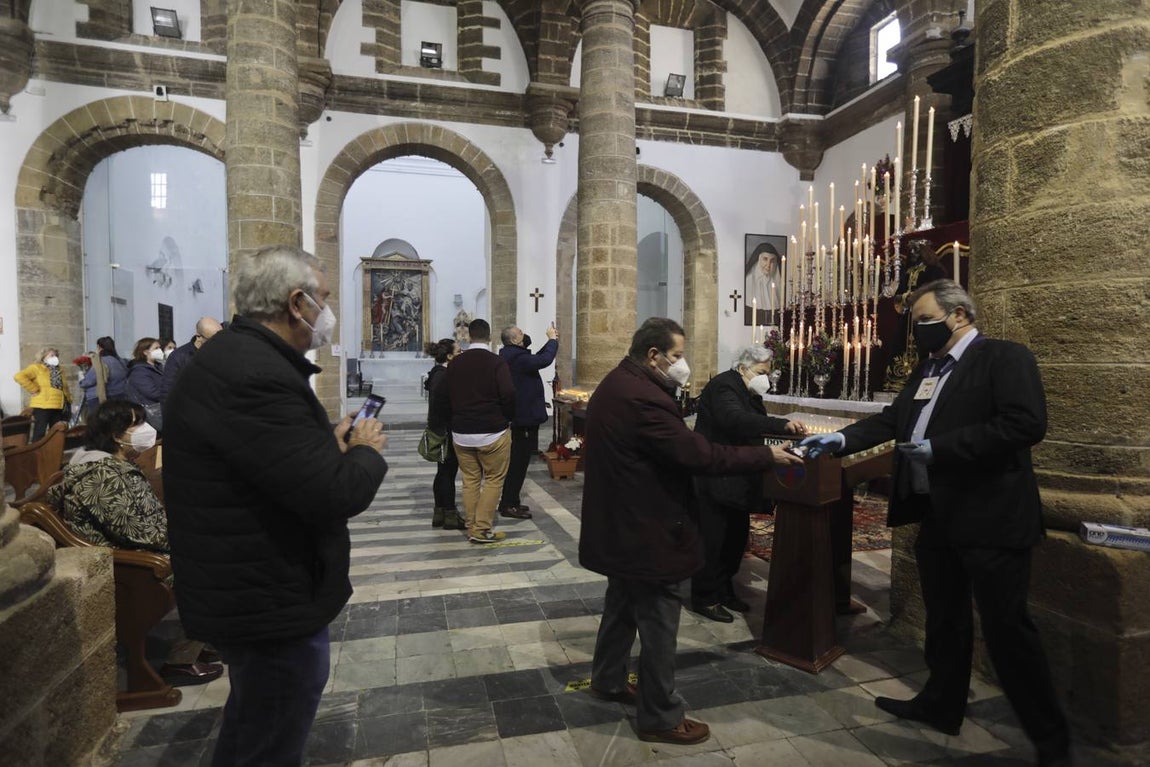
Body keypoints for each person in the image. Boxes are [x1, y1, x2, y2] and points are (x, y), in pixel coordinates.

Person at [800, 280, 1070, 766]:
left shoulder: (1004, 358)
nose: (917, 330)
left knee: (1008, 632)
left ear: (960, 315)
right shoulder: (928, 369)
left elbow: (1025, 424)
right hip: (939, 516)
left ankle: (1051, 742)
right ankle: (941, 704)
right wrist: (841, 441)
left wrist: (941, 449)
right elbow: (891, 420)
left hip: (991, 517)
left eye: (924, 319)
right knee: (945, 622)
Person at [163, 245, 388, 766]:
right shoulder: (256, 375)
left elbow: (267, 463)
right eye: (324, 300)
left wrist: (322, 444)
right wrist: (364, 452)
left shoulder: (236, 358)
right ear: (296, 303)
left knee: (255, 722)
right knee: (272, 735)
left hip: (248, 582)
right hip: (265, 594)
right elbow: (334, 494)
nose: (327, 314)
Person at [579, 317, 802, 746]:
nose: (681, 364)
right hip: (647, 527)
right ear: (653, 356)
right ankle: (661, 716)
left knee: (623, 602)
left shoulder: (618, 382)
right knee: (660, 617)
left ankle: (607, 678)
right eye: (677, 356)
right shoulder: (644, 397)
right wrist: (766, 457)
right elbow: (698, 455)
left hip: (623, 521)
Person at [46, 398, 223, 685]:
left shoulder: (115, 464)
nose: (146, 429)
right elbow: (132, 528)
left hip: (133, 552)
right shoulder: (101, 473)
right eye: (136, 424)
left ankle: (202, 641)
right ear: (116, 434)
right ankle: (181, 660)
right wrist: (189, 537)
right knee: (210, 563)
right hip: (126, 565)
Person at [690, 345, 808, 622]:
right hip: (716, 476)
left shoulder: (748, 391)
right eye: (761, 372)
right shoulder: (724, 386)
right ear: (743, 368)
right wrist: (781, 425)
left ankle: (724, 589)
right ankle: (704, 597)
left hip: (737, 476)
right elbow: (735, 420)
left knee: (734, 539)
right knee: (713, 539)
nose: (765, 379)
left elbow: (755, 423)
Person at [429, 318, 515, 544]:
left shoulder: (456, 363)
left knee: (470, 480)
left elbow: (445, 396)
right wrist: (507, 418)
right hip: (492, 432)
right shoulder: (496, 363)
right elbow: (508, 394)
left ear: (468, 336)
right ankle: (481, 529)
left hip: (461, 433)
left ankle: (471, 525)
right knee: (494, 479)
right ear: (489, 336)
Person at [497, 323, 560, 519]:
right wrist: (552, 340)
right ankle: (508, 504)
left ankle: (512, 500)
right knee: (518, 463)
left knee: (520, 462)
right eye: (521, 334)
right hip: (523, 418)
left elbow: (535, 359)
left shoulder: (513, 355)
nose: (524, 335)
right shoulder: (516, 358)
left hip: (522, 417)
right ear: (515, 340)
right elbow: (544, 360)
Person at [424, 337, 461, 530]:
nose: (461, 354)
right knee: (447, 473)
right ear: (449, 356)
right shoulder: (445, 376)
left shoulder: (437, 373)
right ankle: (450, 514)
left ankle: (439, 512)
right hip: (445, 430)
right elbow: (445, 405)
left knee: (442, 473)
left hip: (439, 428)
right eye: (458, 352)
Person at [14, 346, 72, 440]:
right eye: (52, 355)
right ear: (43, 357)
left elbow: (64, 387)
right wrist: (33, 389)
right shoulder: (36, 368)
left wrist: (69, 399)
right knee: (39, 433)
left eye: (56, 355)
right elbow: (19, 376)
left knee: (56, 434)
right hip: (42, 406)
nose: (55, 357)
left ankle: (53, 453)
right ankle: (36, 454)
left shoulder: (59, 369)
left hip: (58, 405)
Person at [161, 316, 222, 399]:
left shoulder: (221, 353)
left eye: (221, 338)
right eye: (212, 339)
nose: (218, 343)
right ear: (199, 337)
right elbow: (167, 392)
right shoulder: (178, 357)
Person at [79, 336, 128, 415]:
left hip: (101, 397)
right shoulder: (121, 361)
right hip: (120, 396)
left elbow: (89, 380)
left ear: (99, 347)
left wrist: (81, 380)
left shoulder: (100, 362)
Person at [126, 336, 165, 410]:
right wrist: (171, 395)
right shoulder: (139, 371)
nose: (160, 350)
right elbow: (153, 393)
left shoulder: (158, 366)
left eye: (159, 348)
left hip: (159, 407)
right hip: (149, 410)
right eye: (156, 348)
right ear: (145, 352)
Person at [746, 242, 781, 315]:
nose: (768, 265)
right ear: (758, 260)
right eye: (765, 259)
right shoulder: (749, 280)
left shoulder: (777, 281)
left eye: (772, 261)